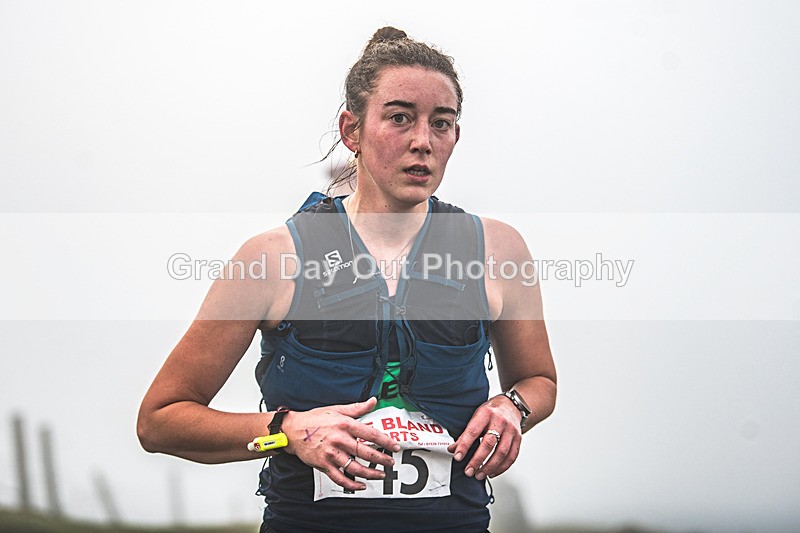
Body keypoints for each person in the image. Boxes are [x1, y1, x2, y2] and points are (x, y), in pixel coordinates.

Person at [137, 27, 556, 533]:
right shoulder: (273, 258)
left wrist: (512, 408)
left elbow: (540, 382)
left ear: (455, 137)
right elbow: (160, 421)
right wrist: (284, 431)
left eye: (440, 123)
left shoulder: (497, 249)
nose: (422, 141)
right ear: (351, 131)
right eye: (399, 118)